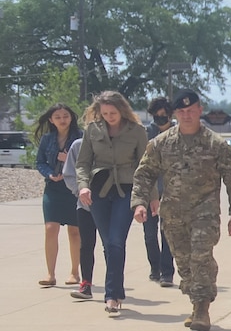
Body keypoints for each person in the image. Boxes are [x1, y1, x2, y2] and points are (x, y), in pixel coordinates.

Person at [132, 88, 231, 331]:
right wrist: (140, 203)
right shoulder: (162, 144)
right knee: (183, 262)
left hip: (205, 212)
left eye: (191, 110)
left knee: (200, 256)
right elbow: (144, 174)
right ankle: (196, 303)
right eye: (181, 111)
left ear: (199, 110)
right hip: (172, 213)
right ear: (176, 113)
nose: (186, 115)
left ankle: (202, 308)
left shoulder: (216, 145)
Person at [74, 90, 148, 317]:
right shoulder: (92, 130)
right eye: (104, 113)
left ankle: (112, 295)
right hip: (98, 189)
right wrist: (83, 185)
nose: (109, 116)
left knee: (116, 242)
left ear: (122, 110)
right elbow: (83, 163)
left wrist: (147, 199)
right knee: (108, 244)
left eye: (113, 112)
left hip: (126, 189)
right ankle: (115, 288)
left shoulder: (137, 131)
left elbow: (146, 167)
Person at [33, 103, 82, 289]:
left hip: (74, 188)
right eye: (58, 117)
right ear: (51, 120)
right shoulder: (47, 139)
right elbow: (39, 162)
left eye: (65, 116)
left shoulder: (80, 137)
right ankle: (50, 274)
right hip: (53, 189)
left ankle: (75, 272)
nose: (62, 120)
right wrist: (50, 174)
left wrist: (69, 158)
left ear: (71, 117)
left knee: (74, 231)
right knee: (50, 228)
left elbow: (89, 160)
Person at [140, 96, 177, 287]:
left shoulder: (178, 133)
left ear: (170, 115)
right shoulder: (146, 133)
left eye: (164, 116)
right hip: (149, 191)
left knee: (167, 233)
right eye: (156, 116)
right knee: (149, 234)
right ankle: (155, 268)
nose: (160, 119)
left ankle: (167, 272)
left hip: (172, 191)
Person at [62, 130, 99, 299]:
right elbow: (69, 173)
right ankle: (86, 284)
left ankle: (114, 288)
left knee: (113, 245)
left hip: (111, 203)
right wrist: (80, 191)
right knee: (86, 244)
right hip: (84, 205)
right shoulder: (78, 145)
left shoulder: (116, 144)